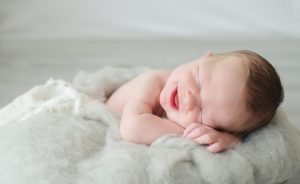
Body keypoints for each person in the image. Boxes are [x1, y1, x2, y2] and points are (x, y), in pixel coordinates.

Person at [105, 50, 284, 153]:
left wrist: (230, 140)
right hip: (103, 112)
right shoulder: (153, 81)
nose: (189, 98)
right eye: (198, 79)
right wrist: (193, 137)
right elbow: (132, 128)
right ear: (204, 57)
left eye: (203, 112)